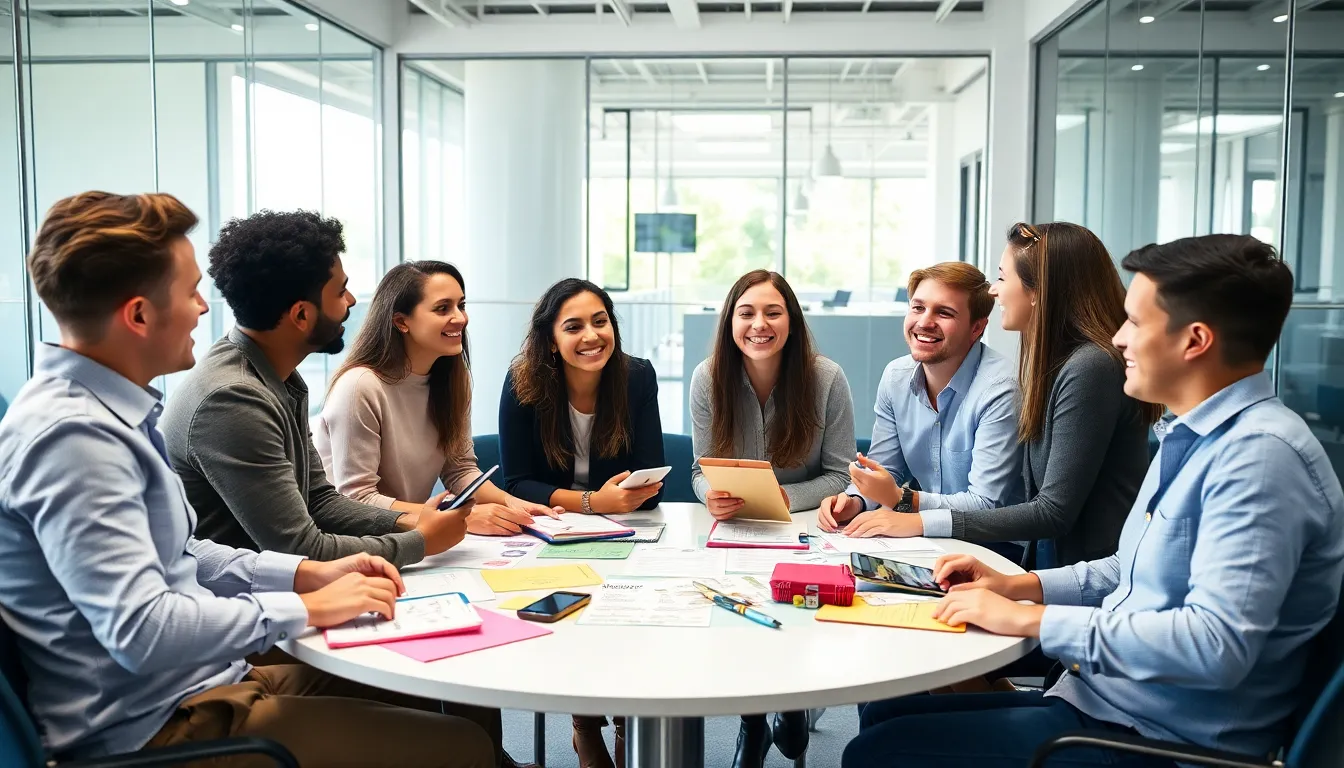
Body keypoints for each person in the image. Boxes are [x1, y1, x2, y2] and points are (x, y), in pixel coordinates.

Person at [0, 191, 505, 767]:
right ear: (139, 315)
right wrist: (309, 606)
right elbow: (141, 630)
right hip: (162, 726)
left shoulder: (112, 412)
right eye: (190, 292)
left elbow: (184, 554)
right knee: (460, 746)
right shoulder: (74, 438)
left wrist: (307, 574)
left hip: (212, 677)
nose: (204, 308)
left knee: (438, 671)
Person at [843, 234, 1344, 767]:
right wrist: (1019, 585)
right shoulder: (1195, 437)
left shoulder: (1259, 459)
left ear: (1194, 341)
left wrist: (1031, 620)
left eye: (1135, 322)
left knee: (880, 750)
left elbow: (1214, 647)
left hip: (1156, 740)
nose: (1120, 339)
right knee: (887, 713)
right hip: (1104, 703)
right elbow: (1131, 571)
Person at [829, 224, 1159, 570]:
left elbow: (1051, 511)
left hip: (1083, 577)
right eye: (918, 307)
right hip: (1057, 569)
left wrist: (910, 510)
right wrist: (862, 500)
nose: (995, 290)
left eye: (1003, 277)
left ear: (1038, 290)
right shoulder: (1061, 365)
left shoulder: (1088, 367)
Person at [161, 211, 465, 569]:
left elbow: (319, 500)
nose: (351, 301)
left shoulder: (278, 378)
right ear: (301, 316)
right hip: (235, 599)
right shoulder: (232, 399)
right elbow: (297, 547)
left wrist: (410, 521)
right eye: (340, 291)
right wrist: (419, 542)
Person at [687, 269, 855, 768]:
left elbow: (842, 475)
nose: (759, 324)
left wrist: (786, 496)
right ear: (730, 322)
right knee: (737, 614)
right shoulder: (707, 377)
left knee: (792, 615)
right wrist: (707, 496)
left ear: (791, 320)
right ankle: (753, 721)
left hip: (805, 529)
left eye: (773, 312)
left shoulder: (826, 378)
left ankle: (793, 698)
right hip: (734, 529)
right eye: (747, 313)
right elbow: (700, 469)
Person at [497, 278, 665, 768]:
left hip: (626, 531)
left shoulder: (636, 377)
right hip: (552, 533)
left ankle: (628, 723)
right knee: (577, 614)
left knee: (633, 610)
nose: (592, 336)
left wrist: (632, 494)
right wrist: (593, 501)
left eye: (600, 321)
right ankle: (585, 725)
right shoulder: (522, 381)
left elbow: (652, 469)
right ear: (551, 339)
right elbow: (518, 481)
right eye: (574, 327)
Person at [314, 260, 562, 536]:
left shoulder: (453, 380)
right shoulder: (360, 386)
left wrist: (517, 505)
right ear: (401, 321)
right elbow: (357, 499)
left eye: (461, 305)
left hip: (411, 537)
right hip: (354, 541)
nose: (460, 318)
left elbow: (459, 469)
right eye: (443, 308)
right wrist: (457, 517)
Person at [817, 261, 1023, 557]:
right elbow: (886, 468)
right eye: (917, 308)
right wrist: (854, 501)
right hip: (924, 541)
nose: (925, 322)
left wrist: (905, 505)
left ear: (976, 327)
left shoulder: (1000, 387)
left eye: (944, 312)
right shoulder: (896, 376)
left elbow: (985, 504)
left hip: (995, 547)